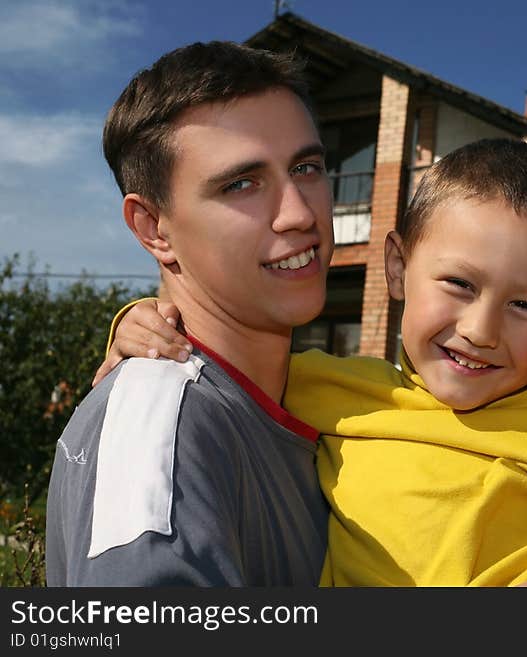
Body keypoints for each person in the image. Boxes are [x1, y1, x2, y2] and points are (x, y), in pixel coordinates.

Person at [96, 137, 527, 586]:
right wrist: (134, 324)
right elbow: (210, 360)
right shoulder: (326, 385)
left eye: (525, 306)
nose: (480, 331)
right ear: (398, 268)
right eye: (458, 285)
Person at [45, 41, 334, 586]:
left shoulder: (317, 397)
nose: (299, 213)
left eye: (307, 167)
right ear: (154, 228)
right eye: (241, 184)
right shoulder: (161, 429)